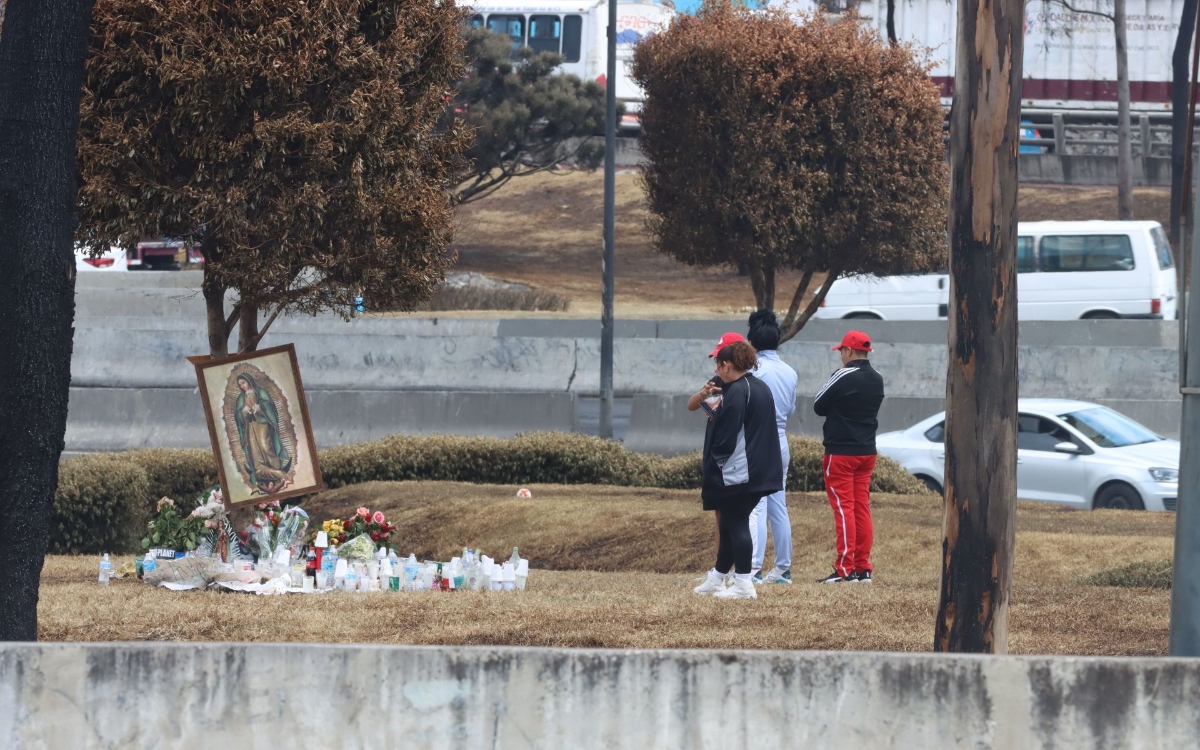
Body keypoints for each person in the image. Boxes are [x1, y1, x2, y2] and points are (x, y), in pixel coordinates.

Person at [693, 341, 783, 600]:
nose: (717, 370)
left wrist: (715, 461)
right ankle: (718, 577)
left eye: (718, 365)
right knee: (735, 520)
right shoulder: (760, 386)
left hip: (740, 469)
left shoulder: (735, 392)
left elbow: (727, 434)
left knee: (736, 522)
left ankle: (743, 582)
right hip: (762, 467)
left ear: (727, 365)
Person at [813, 331, 884, 584]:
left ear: (849, 352)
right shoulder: (877, 379)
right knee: (861, 507)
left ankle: (845, 569)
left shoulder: (843, 375)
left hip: (841, 451)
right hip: (866, 450)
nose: (840, 355)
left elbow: (818, 405)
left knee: (844, 509)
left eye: (841, 351)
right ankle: (863, 567)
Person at [687, 332, 747, 580]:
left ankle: (739, 570)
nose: (717, 366)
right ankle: (720, 569)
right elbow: (691, 405)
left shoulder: (743, 386)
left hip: (734, 460)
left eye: (720, 360)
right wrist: (703, 394)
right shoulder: (718, 382)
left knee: (737, 518)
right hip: (715, 454)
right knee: (720, 515)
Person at [745, 310, 797, 585]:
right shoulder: (789, 371)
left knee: (756, 506)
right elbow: (789, 409)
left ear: (752, 343)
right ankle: (783, 569)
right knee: (779, 505)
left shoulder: (754, 371)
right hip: (780, 439)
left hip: (758, 440)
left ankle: (753, 569)